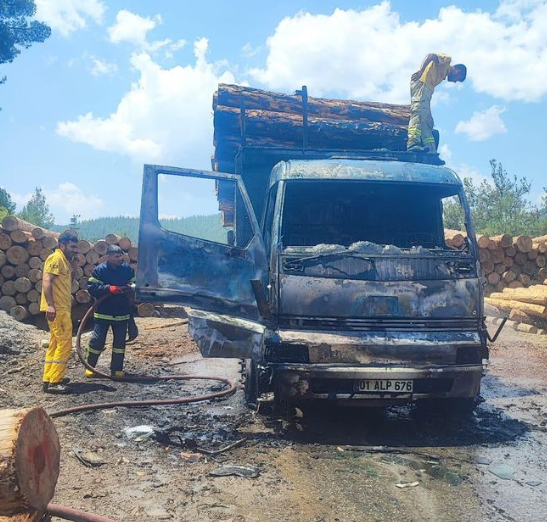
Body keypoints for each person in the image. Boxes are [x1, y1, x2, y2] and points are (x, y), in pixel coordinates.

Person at [86, 245, 136, 378]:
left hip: (121, 313)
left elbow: (134, 282)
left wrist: (131, 287)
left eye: (121, 256)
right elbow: (92, 287)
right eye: (116, 256)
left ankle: (116, 369)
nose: (120, 259)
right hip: (103, 312)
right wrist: (109, 289)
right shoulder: (100, 270)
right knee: (97, 341)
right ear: (108, 257)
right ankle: (90, 367)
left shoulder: (126, 269)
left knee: (119, 344)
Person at [41, 232, 79, 394]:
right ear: (61, 245)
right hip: (57, 308)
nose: (75, 250)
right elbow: (47, 280)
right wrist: (50, 305)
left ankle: (49, 377)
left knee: (56, 343)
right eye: (72, 247)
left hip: (63, 308)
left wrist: (75, 267)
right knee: (65, 343)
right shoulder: (55, 258)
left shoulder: (65, 261)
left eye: (76, 247)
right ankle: (55, 382)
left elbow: (68, 281)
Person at [407, 53, 467, 153]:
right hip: (422, 84)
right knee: (419, 113)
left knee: (427, 121)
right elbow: (431, 56)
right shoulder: (447, 60)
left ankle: (431, 150)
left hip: (426, 90)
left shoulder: (443, 71)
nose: (455, 82)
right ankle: (413, 143)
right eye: (458, 79)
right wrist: (421, 72)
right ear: (458, 72)